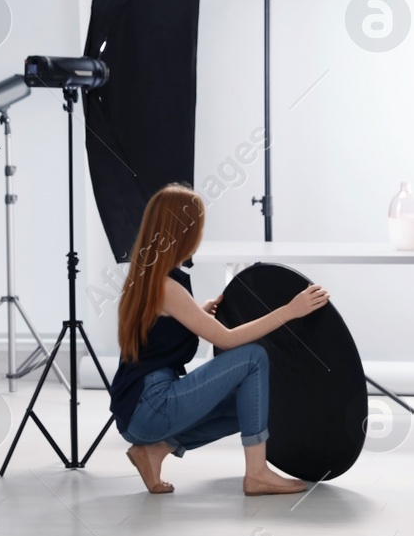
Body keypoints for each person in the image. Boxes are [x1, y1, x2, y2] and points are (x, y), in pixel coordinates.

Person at [111, 183, 328, 496]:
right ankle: (257, 473)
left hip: (139, 408)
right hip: (153, 404)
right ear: (183, 233)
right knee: (254, 358)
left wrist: (197, 311)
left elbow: (157, 330)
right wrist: (291, 310)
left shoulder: (145, 278)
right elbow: (227, 340)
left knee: (248, 404)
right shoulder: (167, 287)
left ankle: (154, 451)